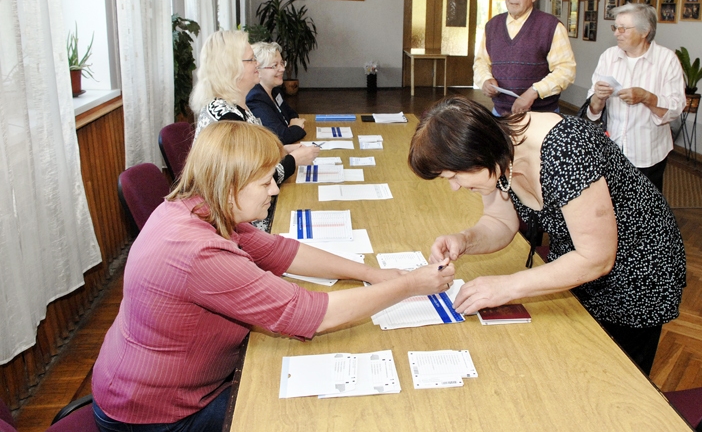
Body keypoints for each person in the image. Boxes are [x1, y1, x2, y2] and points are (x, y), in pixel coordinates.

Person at [92, 121, 455, 432]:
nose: (276, 189)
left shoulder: (202, 207)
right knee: (316, 415)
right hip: (158, 416)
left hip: (170, 386)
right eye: (265, 182)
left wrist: (371, 273)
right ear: (230, 184)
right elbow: (316, 314)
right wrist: (408, 285)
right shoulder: (200, 252)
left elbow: (282, 251)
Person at [408, 97, 686, 375]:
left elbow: (597, 258)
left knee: (620, 374)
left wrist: (506, 287)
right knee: (577, 362)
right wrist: (465, 239)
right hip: (578, 260)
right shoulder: (498, 152)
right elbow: (500, 221)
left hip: (638, 265)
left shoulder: (565, 149)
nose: (454, 187)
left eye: (453, 176)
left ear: (475, 152)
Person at [189, 30, 318, 203]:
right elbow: (253, 181)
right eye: (252, 59)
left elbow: (253, 159)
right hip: (238, 218)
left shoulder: (235, 106)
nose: (258, 64)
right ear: (231, 67)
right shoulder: (226, 118)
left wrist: (282, 151)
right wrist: (293, 161)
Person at [586, 3, 686, 192]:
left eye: (623, 28)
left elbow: (675, 107)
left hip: (648, 154)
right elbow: (593, 109)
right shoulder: (608, 57)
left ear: (645, 31)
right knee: (612, 208)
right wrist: (598, 98)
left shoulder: (667, 60)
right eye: (615, 27)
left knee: (645, 212)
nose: (616, 33)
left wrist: (647, 97)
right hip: (612, 149)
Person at [474, 0, 576, 115]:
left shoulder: (550, 26)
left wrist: (534, 92)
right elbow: (481, 62)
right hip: (501, 114)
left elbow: (566, 70)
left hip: (541, 116)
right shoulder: (492, 25)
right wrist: (485, 80)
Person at [246, 42, 307, 145]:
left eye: (282, 63)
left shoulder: (275, 91)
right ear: (257, 70)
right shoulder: (255, 98)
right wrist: (295, 127)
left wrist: (291, 128)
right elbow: (280, 137)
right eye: (275, 65)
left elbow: (292, 114)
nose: (282, 69)